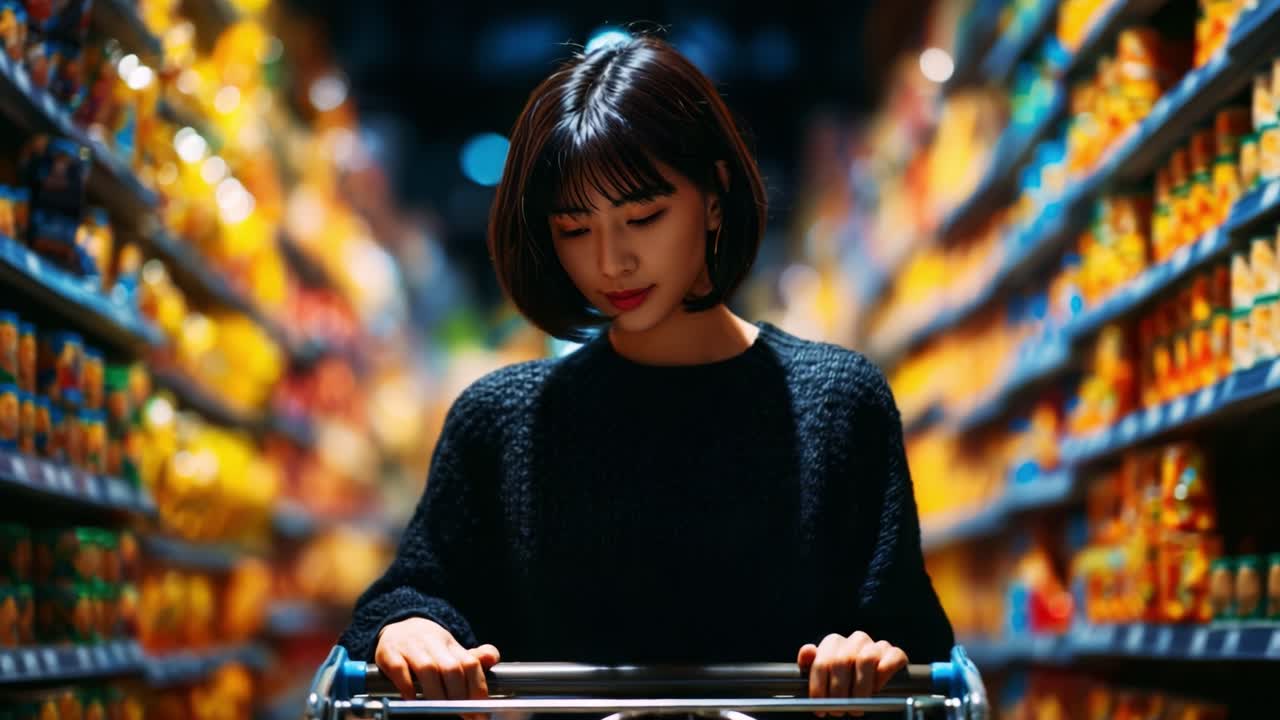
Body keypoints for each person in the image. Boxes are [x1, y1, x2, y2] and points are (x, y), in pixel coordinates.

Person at [338, 32, 954, 716]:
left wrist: (873, 652)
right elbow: (413, 590)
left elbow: (910, 631)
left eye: (644, 217)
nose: (611, 262)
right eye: (575, 228)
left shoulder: (842, 404)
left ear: (716, 196)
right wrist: (412, 627)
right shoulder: (502, 419)